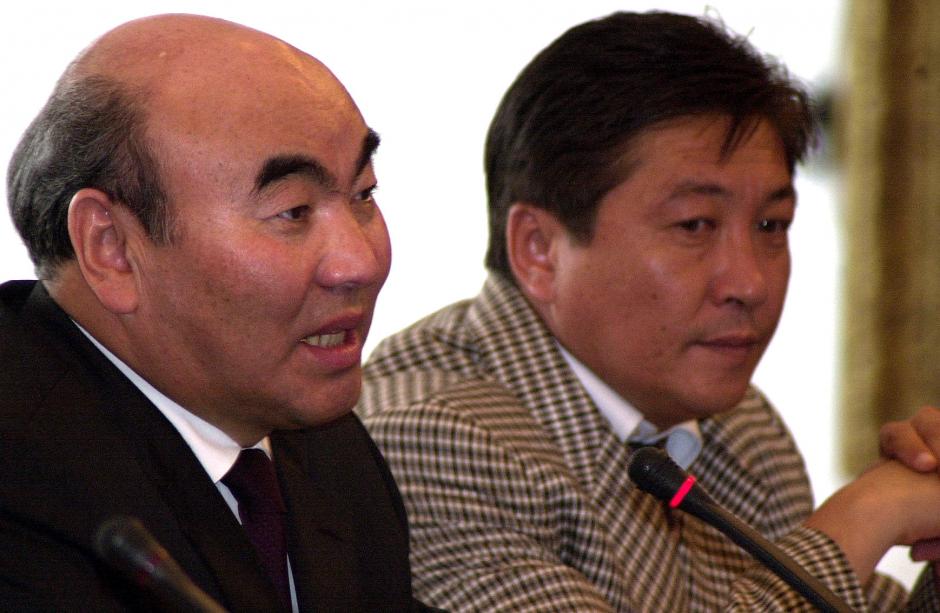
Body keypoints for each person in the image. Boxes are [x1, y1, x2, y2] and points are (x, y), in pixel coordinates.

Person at [358, 11, 940, 611]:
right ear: (539, 250)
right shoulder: (434, 440)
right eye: (695, 225)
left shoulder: (740, 431)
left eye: (772, 225)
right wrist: (867, 515)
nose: (750, 283)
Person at [0, 13, 421, 612]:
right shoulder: (23, 487)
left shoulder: (321, 443)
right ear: (111, 248)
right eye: (293, 211)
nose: (361, 262)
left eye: (363, 195)